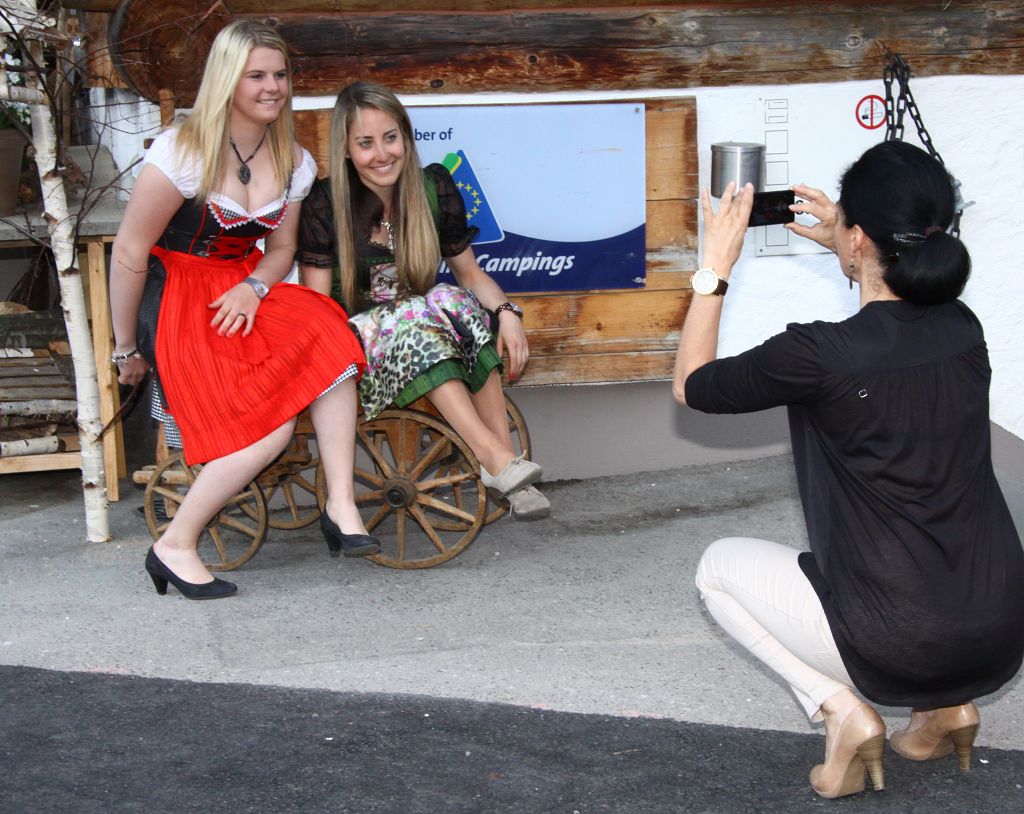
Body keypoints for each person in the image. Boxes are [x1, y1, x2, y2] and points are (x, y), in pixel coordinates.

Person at [674, 141, 1024, 798]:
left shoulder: (818, 353)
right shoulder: (964, 330)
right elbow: (893, 317)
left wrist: (715, 266)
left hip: (899, 638)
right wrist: (851, 237)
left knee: (716, 570)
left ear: (861, 238)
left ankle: (843, 712)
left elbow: (691, 384)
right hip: (1001, 627)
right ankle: (946, 709)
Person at [110, 21, 381, 600]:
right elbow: (130, 251)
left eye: (280, 75)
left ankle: (340, 503)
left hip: (242, 287)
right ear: (227, 80)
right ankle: (174, 545)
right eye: (256, 75)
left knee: (328, 330)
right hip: (177, 294)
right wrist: (125, 347)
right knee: (269, 428)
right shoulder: (183, 151)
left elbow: (281, 250)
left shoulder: (291, 158)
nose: (272, 87)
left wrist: (255, 288)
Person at [296, 81, 549, 519]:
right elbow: (317, 305)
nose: (382, 154)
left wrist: (508, 314)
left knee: (454, 299)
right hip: (358, 350)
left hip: (425, 337)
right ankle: (492, 455)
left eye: (390, 138)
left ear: (406, 137)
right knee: (416, 311)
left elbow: (470, 274)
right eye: (365, 143)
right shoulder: (326, 202)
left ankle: (505, 462)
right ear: (347, 149)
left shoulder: (433, 187)